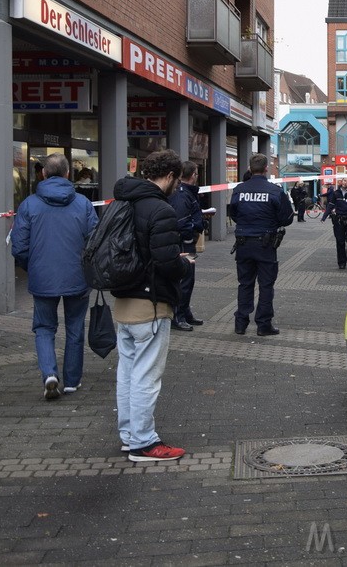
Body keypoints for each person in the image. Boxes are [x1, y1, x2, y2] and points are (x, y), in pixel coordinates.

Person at [112, 149, 192, 462]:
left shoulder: (122, 201)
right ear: (171, 176)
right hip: (151, 304)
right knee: (146, 376)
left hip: (123, 301)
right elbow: (166, 263)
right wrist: (185, 265)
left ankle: (129, 435)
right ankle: (144, 443)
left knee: (127, 373)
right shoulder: (160, 210)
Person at [11, 153, 99, 400]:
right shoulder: (82, 203)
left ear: (43, 174)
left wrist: (34, 266)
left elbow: (18, 246)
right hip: (77, 276)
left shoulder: (29, 204)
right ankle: (72, 381)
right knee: (74, 328)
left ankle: (49, 373)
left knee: (44, 328)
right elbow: (94, 241)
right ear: (68, 174)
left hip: (42, 277)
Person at [228, 154, 294, 336]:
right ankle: (263, 325)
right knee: (266, 285)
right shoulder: (274, 191)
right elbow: (287, 218)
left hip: (243, 243)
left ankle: (240, 323)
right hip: (265, 244)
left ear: (250, 169)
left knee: (245, 283)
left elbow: (233, 213)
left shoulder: (239, 189)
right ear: (266, 168)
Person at [168, 161, 205, 331]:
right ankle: (178, 315)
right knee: (185, 280)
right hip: (184, 245)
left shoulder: (187, 193)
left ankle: (185, 312)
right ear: (193, 175)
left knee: (189, 280)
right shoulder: (183, 195)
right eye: (197, 173)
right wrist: (194, 229)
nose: (198, 176)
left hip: (186, 243)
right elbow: (182, 221)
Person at [321, 177, 347, 269]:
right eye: (344, 181)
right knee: (340, 241)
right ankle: (341, 262)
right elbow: (331, 205)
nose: (345, 183)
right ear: (341, 182)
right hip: (339, 220)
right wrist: (324, 216)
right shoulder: (336, 193)